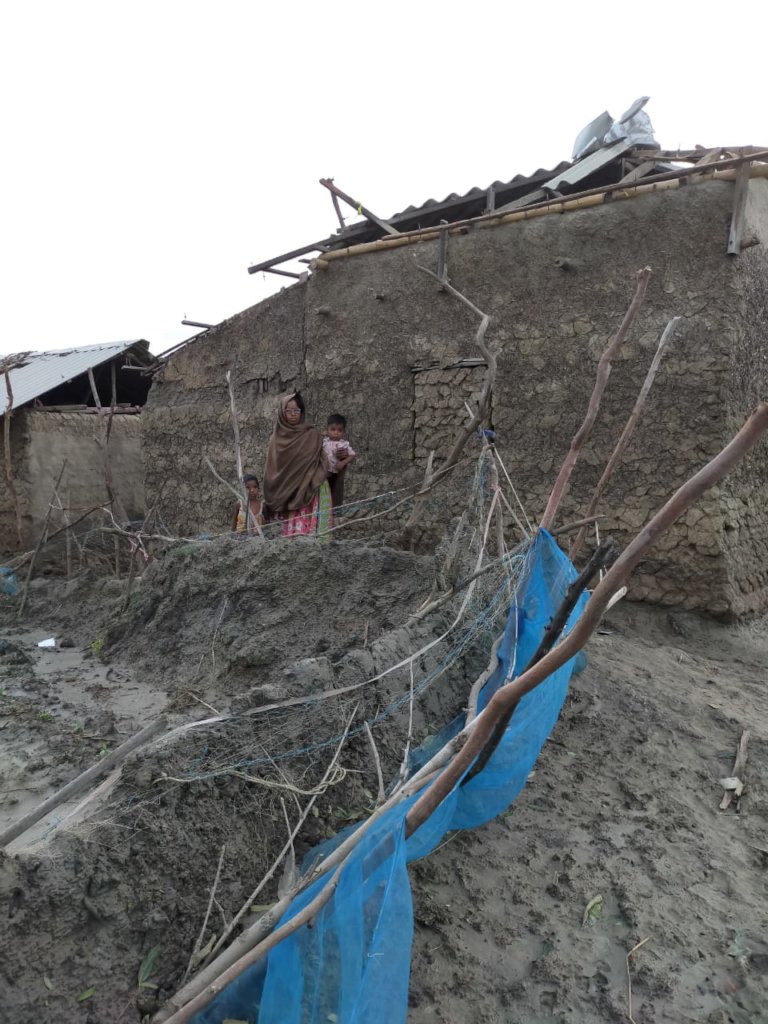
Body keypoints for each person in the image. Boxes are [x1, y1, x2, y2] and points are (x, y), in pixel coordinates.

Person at [262, 393, 333, 540]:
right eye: (288, 411)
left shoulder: (312, 434)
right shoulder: (276, 440)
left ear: (302, 411)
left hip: (308, 490)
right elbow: (273, 469)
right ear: (282, 413)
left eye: (296, 410)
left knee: (312, 541)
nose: (293, 414)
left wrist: (313, 477)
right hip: (284, 494)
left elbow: (322, 460)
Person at [322, 413, 357, 509]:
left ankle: (334, 510)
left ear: (343, 432)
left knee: (334, 492)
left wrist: (342, 463)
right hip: (324, 473)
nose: (336, 432)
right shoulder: (324, 442)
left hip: (335, 474)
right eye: (333, 429)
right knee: (323, 493)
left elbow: (352, 455)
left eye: (339, 430)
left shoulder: (343, 444)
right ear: (327, 429)